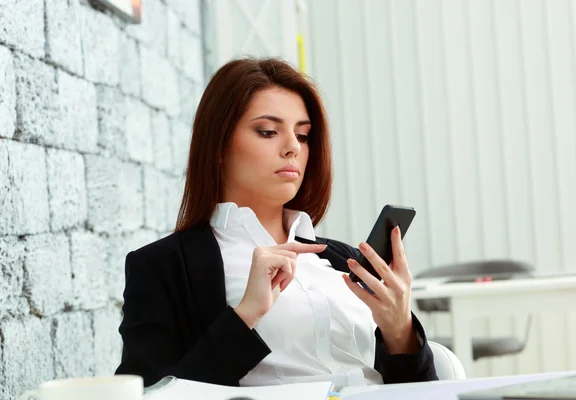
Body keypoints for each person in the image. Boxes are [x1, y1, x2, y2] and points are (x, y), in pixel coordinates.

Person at [115, 58, 438, 388]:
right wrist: (246, 315)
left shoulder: (342, 260)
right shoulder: (162, 267)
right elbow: (146, 394)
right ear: (218, 146)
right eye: (268, 132)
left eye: (303, 134)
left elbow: (424, 390)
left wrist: (399, 329)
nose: (293, 147)